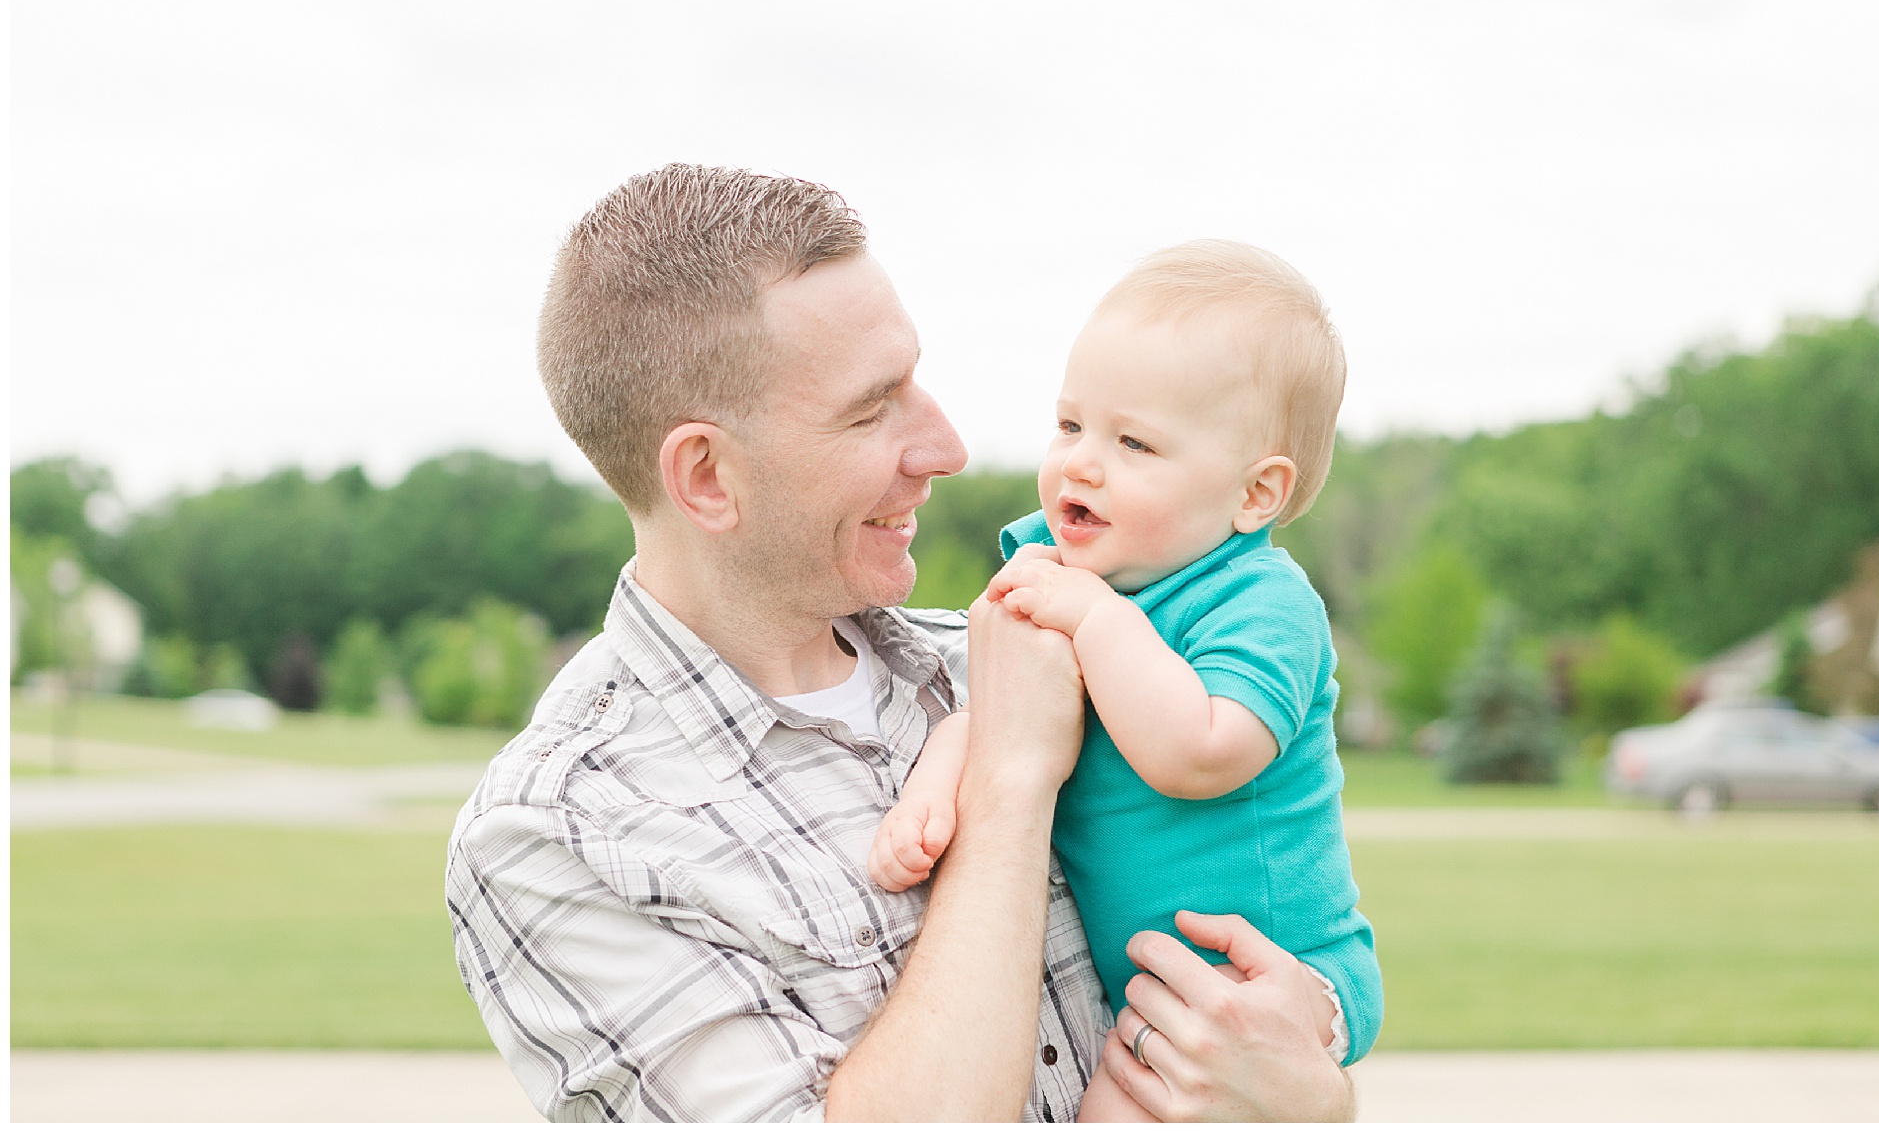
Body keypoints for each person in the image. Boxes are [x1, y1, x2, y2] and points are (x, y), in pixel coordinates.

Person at [445, 165, 1356, 1122]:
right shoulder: (565, 832)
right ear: (707, 476)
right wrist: (1006, 786)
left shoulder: (1017, 653)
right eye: (873, 406)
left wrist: (1310, 1089)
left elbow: (1278, 1025)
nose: (949, 447)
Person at [868, 241, 1381, 1120]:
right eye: (1070, 425)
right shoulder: (1063, 572)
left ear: (1254, 496)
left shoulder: (1259, 599)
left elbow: (1200, 750)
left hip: (1279, 974)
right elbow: (1010, 711)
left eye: (1134, 441)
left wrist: (1098, 621)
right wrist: (940, 772)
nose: (1082, 463)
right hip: (1140, 997)